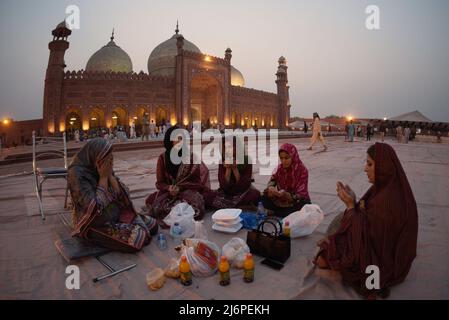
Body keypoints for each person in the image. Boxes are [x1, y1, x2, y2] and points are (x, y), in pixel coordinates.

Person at [314, 143, 418, 299]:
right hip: (378, 248)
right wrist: (354, 203)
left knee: (323, 260)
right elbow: (367, 220)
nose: (365, 168)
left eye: (370, 164)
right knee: (339, 226)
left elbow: (372, 242)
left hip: (380, 261)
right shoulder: (386, 188)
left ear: (384, 167)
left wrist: (350, 207)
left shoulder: (387, 202)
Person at [68, 138, 158, 252]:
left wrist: (109, 175)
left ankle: (124, 224)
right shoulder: (76, 174)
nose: (110, 161)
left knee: (153, 225)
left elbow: (121, 195)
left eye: (111, 157)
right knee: (138, 238)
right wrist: (103, 178)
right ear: (96, 156)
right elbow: (93, 208)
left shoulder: (104, 165)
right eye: (107, 157)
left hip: (113, 212)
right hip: (94, 222)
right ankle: (99, 235)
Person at [145, 126, 210, 225]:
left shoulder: (191, 157)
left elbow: (197, 181)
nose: (180, 141)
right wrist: (169, 188)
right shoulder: (163, 158)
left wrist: (181, 187)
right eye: (177, 138)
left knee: (197, 209)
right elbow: (160, 183)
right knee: (156, 206)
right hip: (169, 193)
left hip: (188, 192)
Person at [204, 136, 260, 210]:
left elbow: (245, 185)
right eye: (226, 147)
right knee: (206, 196)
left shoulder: (246, 160)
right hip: (226, 194)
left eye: (230, 147)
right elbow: (223, 186)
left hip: (242, 193)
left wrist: (235, 169)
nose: (228, 150)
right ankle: (240, 207)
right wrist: (228, 169)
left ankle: (228, 206)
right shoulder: (222, 162)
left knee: (255, 195)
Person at [261, 143, 311, 218]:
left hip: (295, 201)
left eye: (287, 158)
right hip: (280, 198)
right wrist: (271, 188)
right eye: (281, 158)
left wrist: (286, 195)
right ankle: (279, 212)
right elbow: (273, 180)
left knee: (303, 206)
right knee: (262, 198)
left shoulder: (302, 170)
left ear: (293, 156)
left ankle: (276, 212)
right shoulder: (279, 168)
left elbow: (301, 194)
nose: (283, 161)